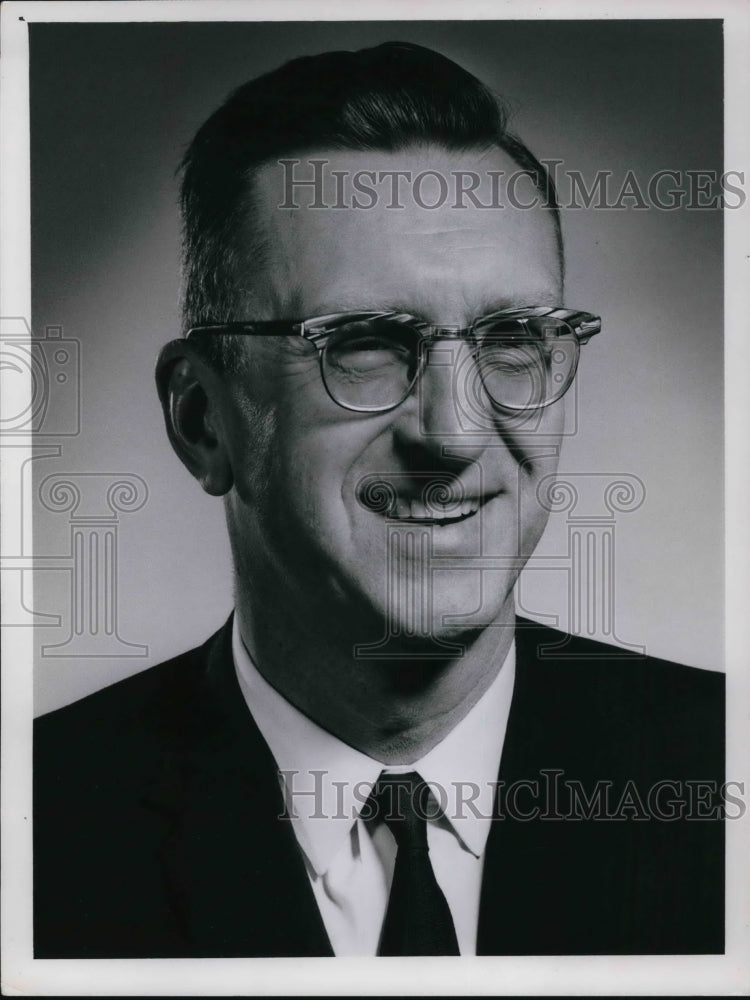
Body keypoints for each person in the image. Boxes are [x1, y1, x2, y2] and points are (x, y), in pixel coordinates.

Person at [34, 41, 724, 958]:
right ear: (203, 419)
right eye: (363, 343)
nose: (454, 434)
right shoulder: (40, 830)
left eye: (511, 337)